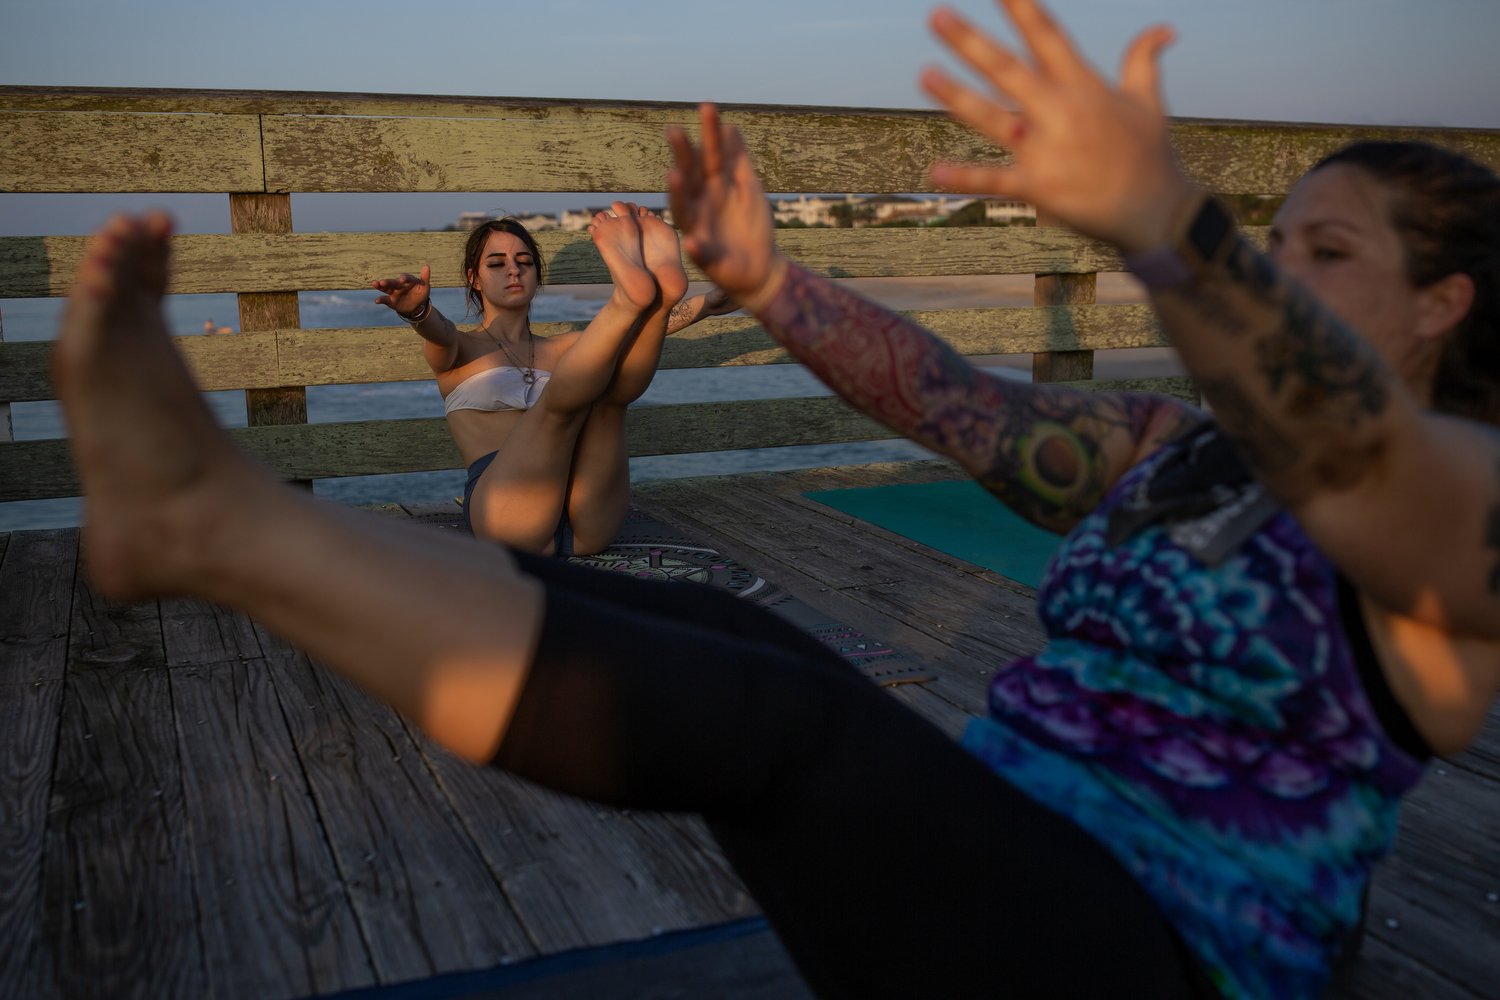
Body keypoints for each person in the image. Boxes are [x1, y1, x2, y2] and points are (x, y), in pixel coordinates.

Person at [50, 1, 1499, 997]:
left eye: (1325, 251)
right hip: (1001, 849)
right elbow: (956, 402)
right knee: (740, 645)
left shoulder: (1473, 501)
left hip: (1175, 951)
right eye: (1275, 242)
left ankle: (213, 519)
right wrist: (764, 278)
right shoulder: (1174, 447)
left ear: (1446, 303)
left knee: (793, 725)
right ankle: (214, 521)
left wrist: (1171, 226)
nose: (1280, 270)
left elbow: (1363, 463)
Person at [371, 208, 733, 555]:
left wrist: (712, 301)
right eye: (496, 263)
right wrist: (418, 311)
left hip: (587, 519)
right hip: (507, 515)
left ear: (536, 275)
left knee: (609, 398)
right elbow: (439, 332)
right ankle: (630, 299)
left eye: (524, 262)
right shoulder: (458, 350)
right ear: (474, 278)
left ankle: (656, 296)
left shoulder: (566, 349)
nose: (513, 270)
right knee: (559, 406)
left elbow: (636, 336)